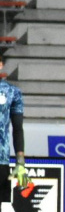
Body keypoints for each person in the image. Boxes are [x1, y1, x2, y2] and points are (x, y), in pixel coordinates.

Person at [0, 53, 27, 202]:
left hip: (1, 160)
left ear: (1, 65)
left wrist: (20, 161)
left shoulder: (12, 92)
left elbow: (18, 128)